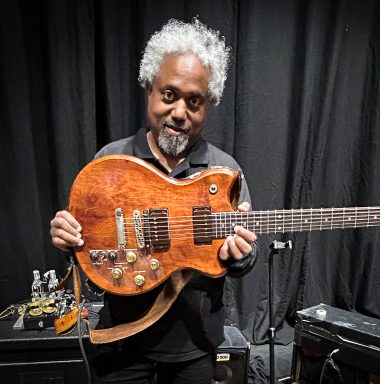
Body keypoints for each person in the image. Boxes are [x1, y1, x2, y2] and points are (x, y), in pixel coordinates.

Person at [49, 18, 258, 384]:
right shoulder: (111, 161)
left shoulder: (224, 170)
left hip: (195, 344)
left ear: (208, 106)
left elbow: (244, 256)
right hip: (122, 342)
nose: (180, 113)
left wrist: (241, 253)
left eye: (195, 101)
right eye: (169, 95)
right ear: (149, 89)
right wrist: (68, 240)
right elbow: (88, 249)